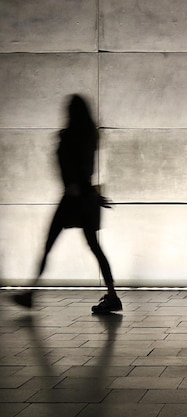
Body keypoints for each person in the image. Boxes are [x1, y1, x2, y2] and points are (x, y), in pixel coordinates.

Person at [13, 94, 122, 314]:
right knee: (94, 246)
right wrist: (93, 194)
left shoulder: (70, 137)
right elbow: (86, 169)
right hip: (86, 199)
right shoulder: (90, 136)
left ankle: (31, 293)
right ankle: (112, 295)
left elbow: (72, 170)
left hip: (73, 198)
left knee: (50, 244)